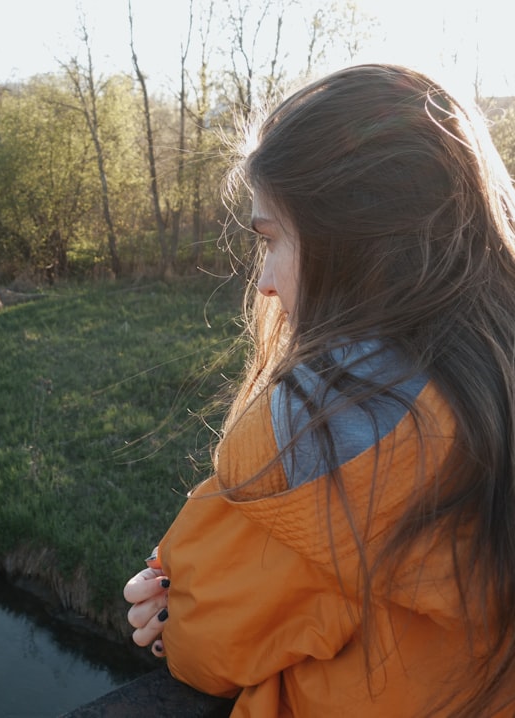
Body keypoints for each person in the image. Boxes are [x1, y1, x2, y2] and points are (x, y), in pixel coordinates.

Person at [122, 64, 515, 717]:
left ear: (353, 242)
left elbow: (204, 649)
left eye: (272, 239)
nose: (267, 282)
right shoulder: (490, 374)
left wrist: (168, 602)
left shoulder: (327, 421)